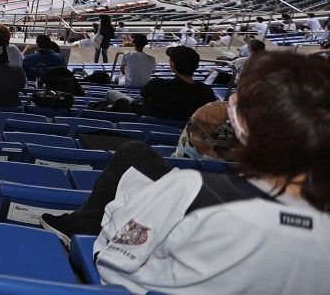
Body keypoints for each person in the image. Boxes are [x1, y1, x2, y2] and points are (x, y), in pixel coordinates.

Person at [42, 52, 330, 293]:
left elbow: (112, 266)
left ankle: (78, 224)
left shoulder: (189, 190)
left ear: (244, 125)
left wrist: (121, 208)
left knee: (133, 156)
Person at [106, 45, 215, 120]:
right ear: (196, 66)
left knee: (111, 93)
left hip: (146, 120)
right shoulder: (207, 92)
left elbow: (143, 93)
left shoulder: (158, 85)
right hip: (181, 132)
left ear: (172, 64)